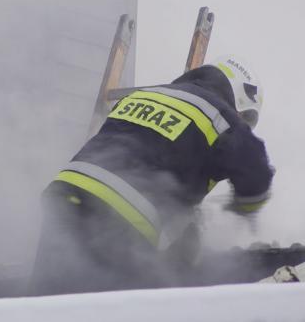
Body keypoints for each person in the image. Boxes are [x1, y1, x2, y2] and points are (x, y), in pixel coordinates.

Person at [28, 55, 274, 295]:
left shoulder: (147, 94)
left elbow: (144, 155)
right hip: (119, 215)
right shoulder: (220, 113)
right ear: (240, 98)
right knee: (112, 308)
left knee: (45, 301)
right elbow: (256, 168)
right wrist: (246, 207)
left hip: (65, 194)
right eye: (247, 116)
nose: (244, 122)